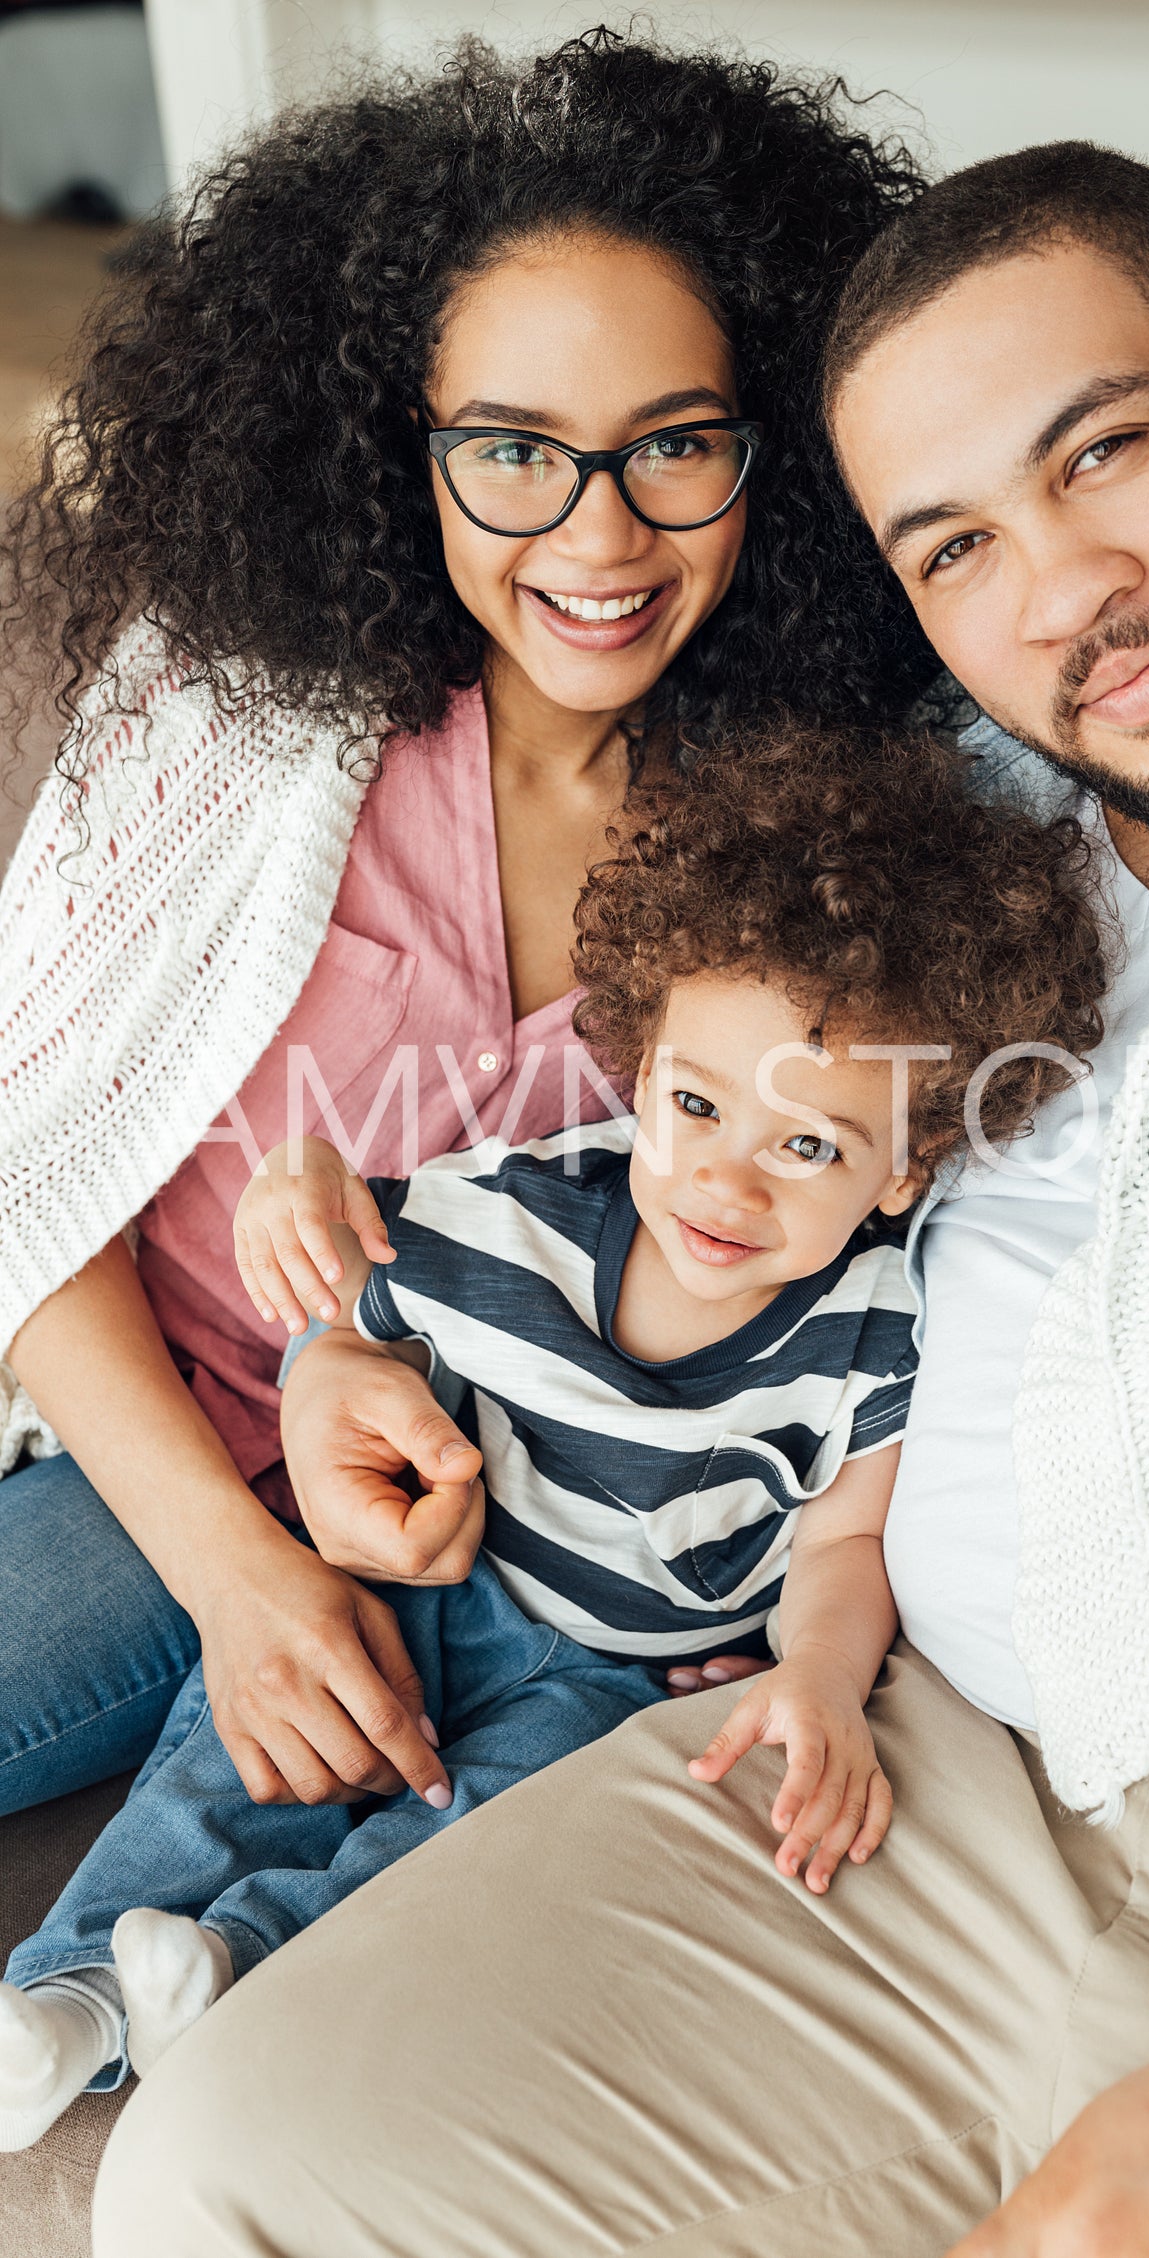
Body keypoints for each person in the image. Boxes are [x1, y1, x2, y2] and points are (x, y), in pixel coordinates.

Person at [93, 142, 1149, 2258]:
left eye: (1107, 448)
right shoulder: (954, 818)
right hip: (897, 1773)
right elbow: (622, 1174)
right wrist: (341, 1338)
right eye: (952, 548)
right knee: (213, 2168)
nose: (1061, 593)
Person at [0, 33, 942, 1826]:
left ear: (778, 457)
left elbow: (849, 1249)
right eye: (513, 448)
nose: (598, 534)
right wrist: (236, 1577)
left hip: (536, 1557)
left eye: (676, 444)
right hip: (170, 1456)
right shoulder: (231, 721)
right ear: (398, 450)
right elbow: (28, 1167)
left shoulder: (822, 841)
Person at [0, 723, 1105, 2148]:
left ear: (904, 1170)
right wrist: (301, 1205)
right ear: (638, 1074)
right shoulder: (526, 1206)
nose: (725, 1179)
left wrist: (819, 1680)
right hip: (432, 1573)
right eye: (695, 1105)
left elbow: (843, 1540)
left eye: (809, 1146)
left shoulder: (875, 1335)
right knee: (233, 1753)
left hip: (608, 1681)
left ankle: (231, 1968)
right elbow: (354, 1297)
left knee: (461, 1837)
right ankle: (76, 1995)